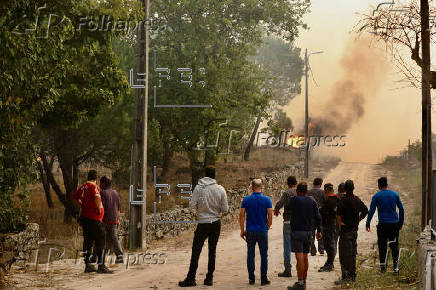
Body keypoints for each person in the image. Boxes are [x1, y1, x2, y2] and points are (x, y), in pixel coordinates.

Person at [179, 166, 229, 287]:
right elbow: (225, 209)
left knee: (196, 251)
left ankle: (191, 278)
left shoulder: (199, 188)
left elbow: (191, 205)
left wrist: (201, 208)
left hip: (203, 223)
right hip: (216, 223)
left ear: (205, 175)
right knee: (212, 251)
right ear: (214, 175)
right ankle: (209, 278)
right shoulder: (220, 189)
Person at [72, 170, 112, 274]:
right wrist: (98, 208)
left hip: (85, 218)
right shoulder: (94, 186)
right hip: (94, 218)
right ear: (96, 178)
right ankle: (101, 265)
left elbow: (74, 196)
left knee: (88, 241)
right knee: (101, 239)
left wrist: (82, 204)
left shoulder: (83, 187)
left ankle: (88, 265)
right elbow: (97, 197)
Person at [286, 182, 322, 290]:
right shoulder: (312, 200)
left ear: (297, 191)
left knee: (299, 258)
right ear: (306, 191)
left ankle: (300, 282)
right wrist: (319, 231)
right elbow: (318, 217)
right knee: (305, 257)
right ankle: (304, 281)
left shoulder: (294, 199)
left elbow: (287, 208)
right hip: (308, 232)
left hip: (297, 231)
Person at [366, 177, 404, 274]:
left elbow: (371, 211)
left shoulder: (376, 196)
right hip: (394, 225)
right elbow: (401, 209)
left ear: (379, 186)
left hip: (383, 225)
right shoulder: (395, 194)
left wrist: (368, 223)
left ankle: (383, 269)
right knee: (394, 245)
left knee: (382, 246)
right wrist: (400, 222)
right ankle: (395, 268)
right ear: (387, 185)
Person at [239, 178, 272, 286]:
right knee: (264, 255)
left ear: (252, 187)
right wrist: (268, 226)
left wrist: (242, 230)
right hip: (262, 230)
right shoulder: (267, 200)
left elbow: (242, 215)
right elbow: (270, 214)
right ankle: (263, 279)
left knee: (250, 255)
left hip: (250, 231)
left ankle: (251, 278)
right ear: (261, 187)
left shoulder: (246, 200)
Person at [335, 180, 368, 284]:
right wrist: (359, 219)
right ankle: (352, 276)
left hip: (345, 232)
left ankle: (346, 278)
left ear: (344, 189)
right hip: (354, 231)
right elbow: (366, 210)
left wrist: (340, 223)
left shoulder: (343, 200)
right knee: (352, 254)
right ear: (353, 188)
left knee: (344, 255)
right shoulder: (357, 199)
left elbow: (338, 213)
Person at [273, 175, 297, 277]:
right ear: (296, 183)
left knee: (287, 246)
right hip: (298, 223)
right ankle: (301, 268)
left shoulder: (286, 193)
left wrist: (276, 210)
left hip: (287, 222)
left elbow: (280, 204)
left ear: (287, 183)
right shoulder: (299, 192)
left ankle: (288, 270)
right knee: (299, 247)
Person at [100, 175, 124, 264]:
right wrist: (117, 219)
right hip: (114, 219)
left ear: (104, 183)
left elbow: (102, 208)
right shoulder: (115, 193)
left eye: (101, 183)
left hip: (106, 219)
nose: (100, 185)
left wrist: (100, 220)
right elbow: (118, 208)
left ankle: (99, 257)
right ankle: (118, 256)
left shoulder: (103, 193)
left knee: (104, 239)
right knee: (113, 239)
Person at [318, 183, 339, 272]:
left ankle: (329, 264)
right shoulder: (338, 199)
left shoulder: (328, 200)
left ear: (326, 192)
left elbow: (322, 211)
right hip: (334, 223)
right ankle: (329, 263)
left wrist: (319, 210)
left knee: (328, 244)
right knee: (331, 243)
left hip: (328, 224)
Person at [307, 177, 325, 256]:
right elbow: (325, 203)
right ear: (320, 184)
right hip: (320, 215)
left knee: (311, 233)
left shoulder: (308, 192)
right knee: (320, 231)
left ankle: (312, 249)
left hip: (310, 216)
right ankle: (321, 249)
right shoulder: (323, 192)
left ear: (313, 183)